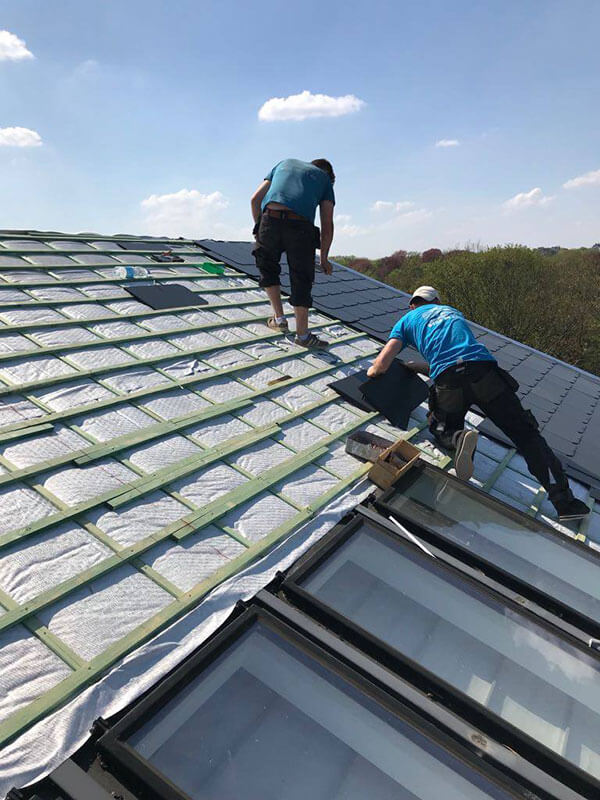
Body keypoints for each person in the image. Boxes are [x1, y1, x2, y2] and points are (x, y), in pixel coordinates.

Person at [367, 285, 590, 521]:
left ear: (412, 305)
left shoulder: (406, 320)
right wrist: (418, 366)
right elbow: (459, 357)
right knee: (527, 436)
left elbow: (381, 366)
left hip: (449, 382)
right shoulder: (451, 312)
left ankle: (456, 437)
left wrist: (373, 372)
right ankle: (566, 504)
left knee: (439, 425)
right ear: (437, 302)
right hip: (484, 374)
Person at [251, 158, 335, 349]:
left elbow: (255, 200)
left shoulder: (284, 163)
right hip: (300, 226)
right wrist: (323, 259)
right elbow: (327, 225)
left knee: (267, 266)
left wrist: (260, 228)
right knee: (301, 277)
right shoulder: (324, 179)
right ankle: (303, 336)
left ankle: (279, 319)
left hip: (270, 218)